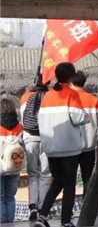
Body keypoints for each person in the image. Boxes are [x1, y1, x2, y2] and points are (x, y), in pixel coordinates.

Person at [35, 62, 90, 227]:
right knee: (69, 185)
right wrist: (86, 116)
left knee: (57, 182)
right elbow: (78, 117)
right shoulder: (72, 95)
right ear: (72, 77)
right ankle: (65, 221)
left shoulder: (47, 96)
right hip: (69, 148)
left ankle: (42, 216)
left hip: (51, 148)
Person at [20, 75, 51, 220]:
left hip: (30, 137)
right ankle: (42, 206)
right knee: (45, 173)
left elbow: (22, 118)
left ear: (34, 82)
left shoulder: (26, 97)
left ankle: (33, 204)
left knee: (33, 173)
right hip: (47, 137)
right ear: (48, 83)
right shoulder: (50, 97)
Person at [70, 71, 98, 196]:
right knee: (88, 178)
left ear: (70, 82)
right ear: (84, 83)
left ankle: (70, 204)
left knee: (70, 180)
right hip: (89, 145)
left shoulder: (69, 99)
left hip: (72, 147)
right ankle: (87, 202)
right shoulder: (93, 100)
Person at [1, 98, 24, 223]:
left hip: (1, 167)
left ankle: (2, 220)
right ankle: (10, 221)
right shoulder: (19, 127)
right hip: (15, 166)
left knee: (0, 197)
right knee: (10, 197)